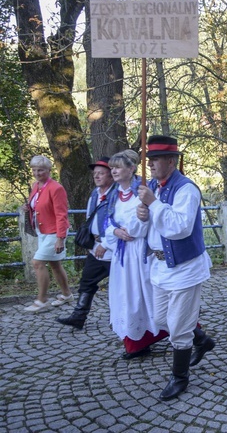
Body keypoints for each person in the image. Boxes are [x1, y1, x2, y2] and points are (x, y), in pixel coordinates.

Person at [136, 136, 215, 401]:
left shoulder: (186, 189)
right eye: (149, 160)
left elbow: (180, 227)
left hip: (185, 268)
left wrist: (153, 204)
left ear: (171, 161)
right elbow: (153, 226)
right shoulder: (154, 188)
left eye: (156, 159)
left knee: (178, 328)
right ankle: (201, 339)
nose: (151, 165)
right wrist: (144, 215)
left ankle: (180, 377)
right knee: (161, 319)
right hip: (160, 266)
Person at [105, 150, 168, 359]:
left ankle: (185, 331)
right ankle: (135, 342)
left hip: (141, 253)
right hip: (122, 256)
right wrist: (115, 231)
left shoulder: (144, 191)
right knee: (125, 296)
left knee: (146, 295)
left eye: (118, 167)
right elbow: (107, 222)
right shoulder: (113, 194)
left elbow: (147, 222)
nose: (113, 170)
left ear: (131, 169)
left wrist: (132, 228)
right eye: (112, 167)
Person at [56, 157, 117, 329]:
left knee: (121, 287)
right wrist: (94, 242)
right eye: (95, 173)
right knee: (87, 281)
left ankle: (121, 318)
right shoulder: (94, 194)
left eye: (101, 173)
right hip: (95, 247)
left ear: (111, 175)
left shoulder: (117, 194)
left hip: (113, 248)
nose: (96, 176)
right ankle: (79, 316)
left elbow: (118, 221)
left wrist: (105, 243)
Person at [23, 155, 72, 312]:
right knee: (54, 264)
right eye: (34, 170)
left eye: (41, 170)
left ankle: (41, 301)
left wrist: (60, 238)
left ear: (49, 170)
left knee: (37, 263)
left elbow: (61, 214)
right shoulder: (36, 186)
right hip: (42, 230)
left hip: (54, 231)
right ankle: (67, 294)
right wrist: (28, 207)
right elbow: (38, 205)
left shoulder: (56, 188)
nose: (37, 173)